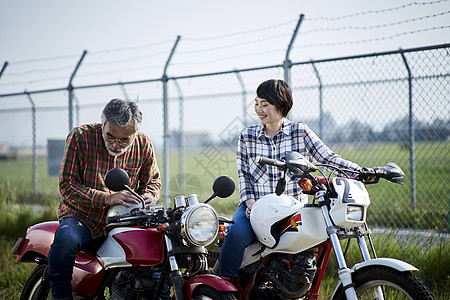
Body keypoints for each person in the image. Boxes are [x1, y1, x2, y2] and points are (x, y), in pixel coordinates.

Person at [218, 79, 362, 281]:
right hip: (256, 207)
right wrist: (250, 204)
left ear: (281, 104)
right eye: (257, 103)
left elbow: (329, 158)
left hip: (293, 209)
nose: (259, 109)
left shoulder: (300, 132)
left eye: (265, 104)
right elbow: (243, 175)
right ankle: (225, 286)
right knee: (235, 236)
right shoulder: (247, 136)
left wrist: (360, 173)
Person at [47, 98, 161, 300]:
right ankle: (60, 296)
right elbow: (67, 185)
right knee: (66, 240)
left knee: (158, 249)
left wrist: (149, 195)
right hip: (81, 217)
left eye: (125, 139)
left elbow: (153, 181)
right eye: (110, 136)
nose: (116, 144)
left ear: (135, 133)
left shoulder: (144, 144)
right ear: (103, 123)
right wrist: (107, 198)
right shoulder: (80, 137)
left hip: (124, 220)